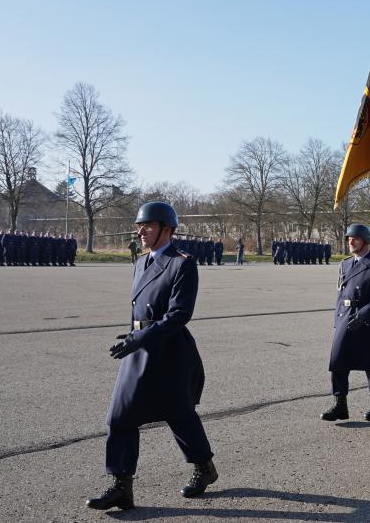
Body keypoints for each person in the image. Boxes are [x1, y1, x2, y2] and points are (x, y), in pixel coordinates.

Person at [86, 201, 217, 511]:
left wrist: (141, 337)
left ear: (166, 229)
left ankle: (204, 468)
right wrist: (134, 337)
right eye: (139, 225)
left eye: (148, 225)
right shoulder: (140, 262)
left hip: (169, 351)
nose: (140, 230)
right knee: (120, 416)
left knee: (180, 416)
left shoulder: (182, 263)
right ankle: (121, 486)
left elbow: (179, 314)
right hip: (139, 349)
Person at [321, 224, 370, 424]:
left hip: (368, 318)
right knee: (338, 360)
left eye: (356, 238)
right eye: (349, 238)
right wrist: (337, 319)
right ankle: (340, 403)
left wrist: (364, 315)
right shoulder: (345, 264)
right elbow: (341, 293)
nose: (351, 242)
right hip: (346, 315)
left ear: (365, 241)